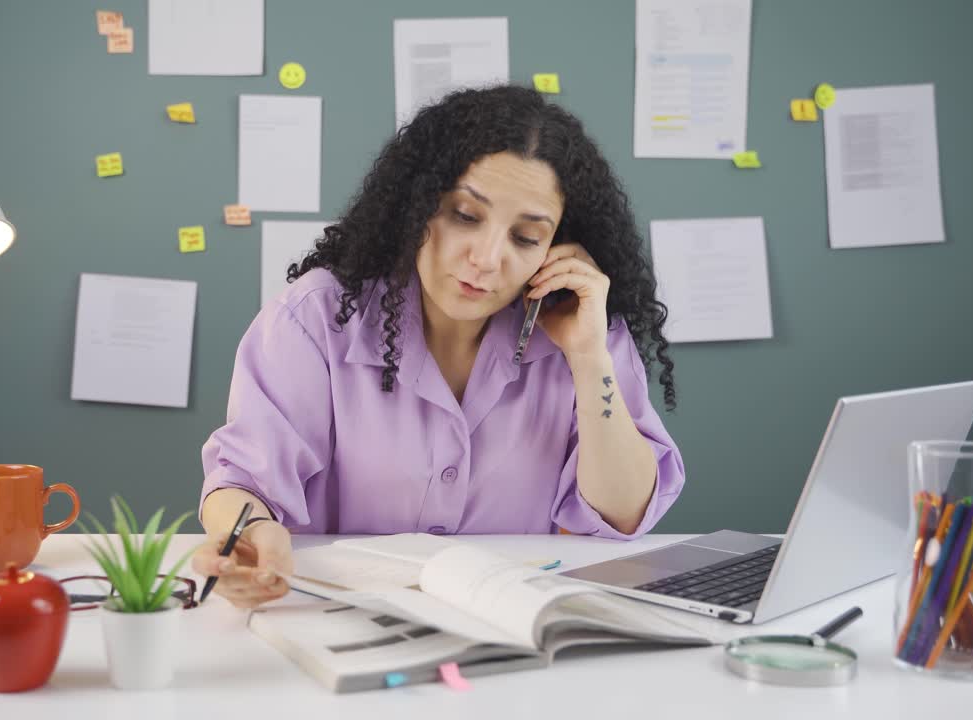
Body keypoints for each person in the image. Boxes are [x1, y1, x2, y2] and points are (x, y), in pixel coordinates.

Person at [192, 85, 683, 608]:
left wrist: (588, 356)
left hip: (503, 628)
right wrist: (246, 536)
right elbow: (244, 481)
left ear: (556, 246)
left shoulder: (580, 327)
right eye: (465, 215)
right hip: (336, 615)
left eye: (525, 237)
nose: (487, 258)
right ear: (418, 206)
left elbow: (623, 515)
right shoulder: (317, 317)